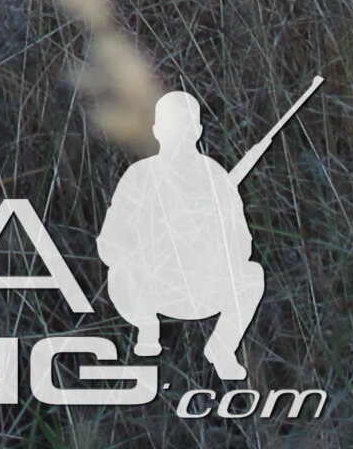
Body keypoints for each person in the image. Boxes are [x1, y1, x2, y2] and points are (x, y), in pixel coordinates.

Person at [103, 89, 276, 380]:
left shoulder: (215, 177)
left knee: (251, 275)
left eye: (184, 127)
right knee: (122, 271)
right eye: (172, 128)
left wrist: (209, 237)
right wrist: (149, 247)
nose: (178, 135)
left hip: (202, 288)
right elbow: (109, 243)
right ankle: (148, 329)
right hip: (150, 289)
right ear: (157, 130)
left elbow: (241, 244)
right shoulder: (139, 176)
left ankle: (222, 348)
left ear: (197, 130)